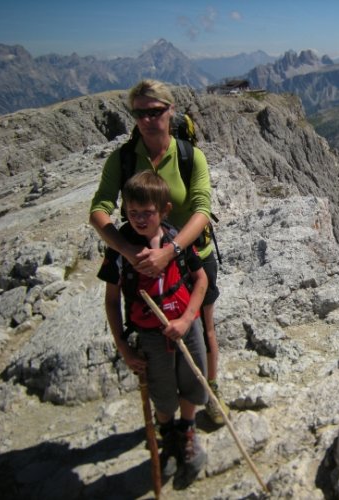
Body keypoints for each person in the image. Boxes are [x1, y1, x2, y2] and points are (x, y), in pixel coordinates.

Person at [89, 79, 229, 425]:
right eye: (140, 113)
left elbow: (202, 209)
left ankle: (209, 390)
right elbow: (99, 209)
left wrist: (172, 250)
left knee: (203, 326)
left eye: (156, 111)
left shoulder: (189, 156)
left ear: (171, 111)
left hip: (192, 253)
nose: (148, 119)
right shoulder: (122, 160)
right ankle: (167, 406)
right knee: (151, 329)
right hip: (143, 260)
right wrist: (126, 250)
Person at [97, 171, 207, 488]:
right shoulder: (120, 251)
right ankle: (169, 434)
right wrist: (123, 347)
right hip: (149, 335)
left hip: (186, 326)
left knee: (193, 381)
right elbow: (112, 300)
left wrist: (187, 319)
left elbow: (201, 281)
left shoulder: (178, 241)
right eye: (133, 213)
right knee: (162, 393)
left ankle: (186, 429)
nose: (140, 219)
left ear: (164, 211)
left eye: (148, 213)